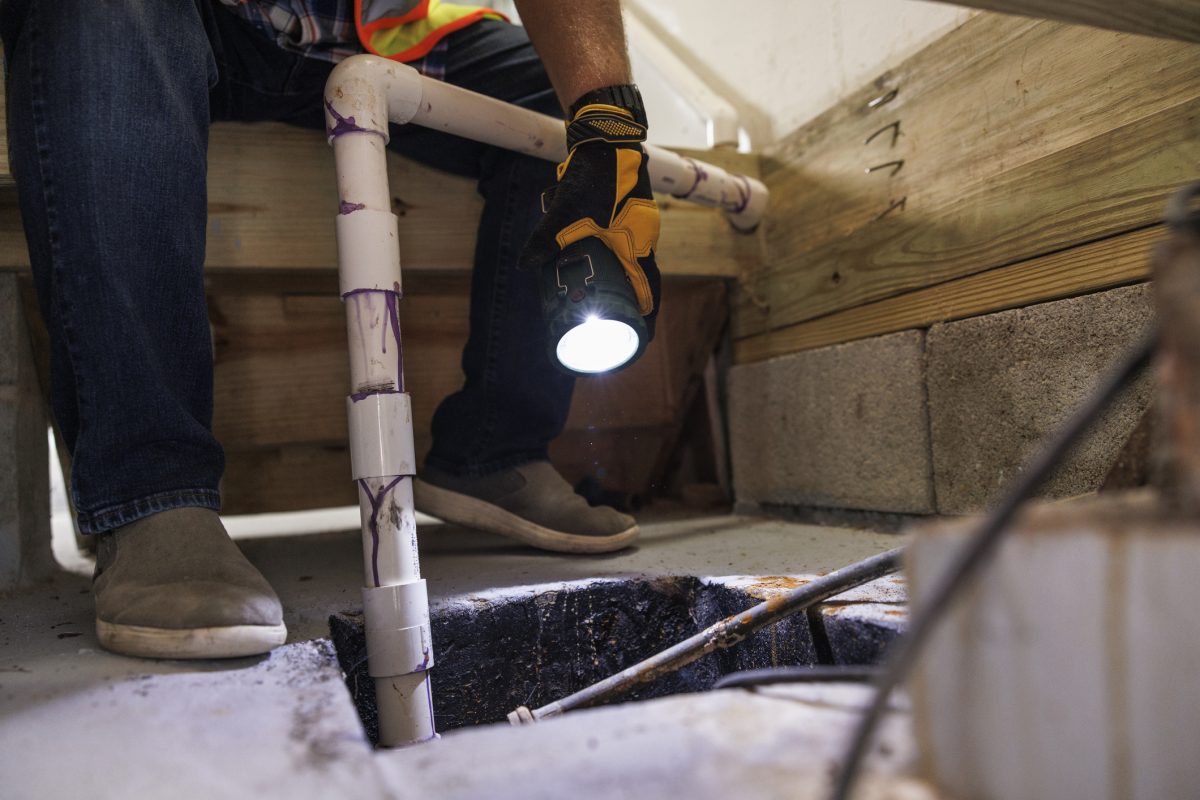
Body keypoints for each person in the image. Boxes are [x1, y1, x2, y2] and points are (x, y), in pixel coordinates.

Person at [0, 0, 661, 659]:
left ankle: (494, 451)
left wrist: (609, 123)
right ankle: (150, 493)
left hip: (373, 26)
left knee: (562, 99)